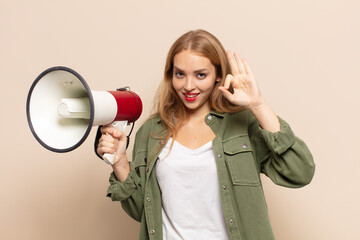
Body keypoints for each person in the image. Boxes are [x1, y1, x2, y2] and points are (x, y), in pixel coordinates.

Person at [96, 29, 315, 240]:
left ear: (218, 75)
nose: (188, 86)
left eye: (200, 75)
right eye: (179, 74)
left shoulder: (243, 124)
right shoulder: (152, 131)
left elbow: (300, 172)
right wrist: (121, 163)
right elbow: (143, 212)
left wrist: (258, 105)